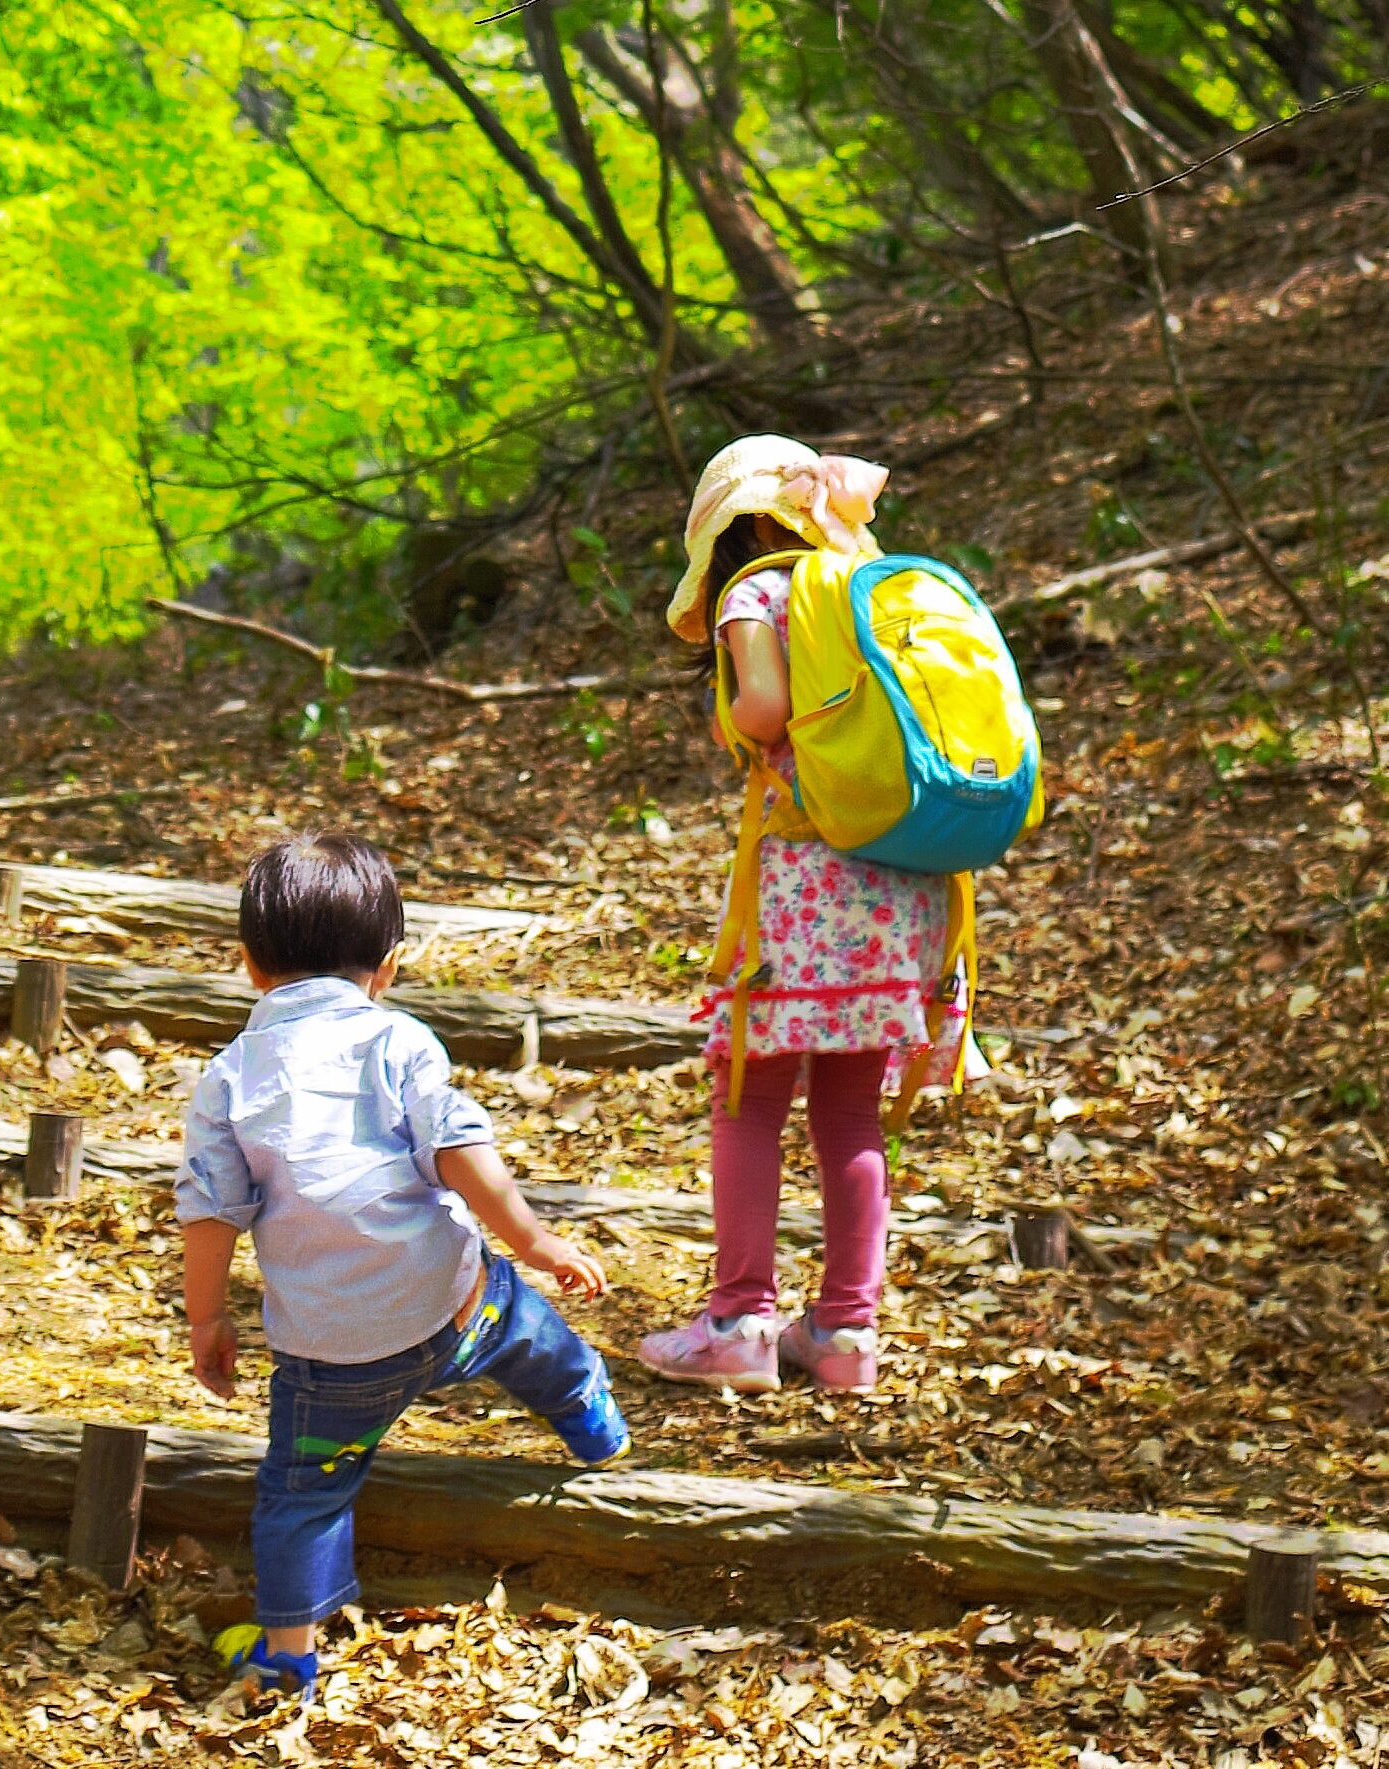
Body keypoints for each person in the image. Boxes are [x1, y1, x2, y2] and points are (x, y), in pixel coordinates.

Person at [177, 832, 627, 1701]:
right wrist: (536, 1242)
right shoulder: (398, 1043)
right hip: (454, 1308)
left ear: (247, 965)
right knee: (530, 1327)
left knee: (301, 1492)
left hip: (331, 1357)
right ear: (386, 965)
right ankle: (590, 1417)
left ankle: (287, 1657)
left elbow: (209, 1214)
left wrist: (206, 1318)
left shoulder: (227, 1078)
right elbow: (461, 1152)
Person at [637, 434, 966, 1399]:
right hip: (898, 883)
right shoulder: (864, 586)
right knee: (851, 1110)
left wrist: (734, 707)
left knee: (746, 1092)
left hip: (801, 890)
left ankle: (739, 1320)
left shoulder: (758, 594)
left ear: (724, 536)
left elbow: (767, 709)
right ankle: (843, 1335)